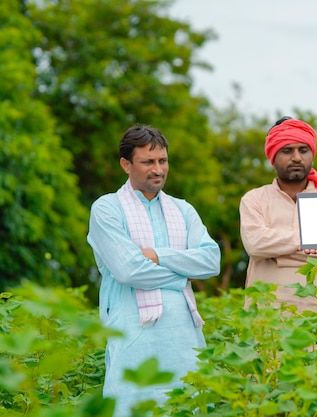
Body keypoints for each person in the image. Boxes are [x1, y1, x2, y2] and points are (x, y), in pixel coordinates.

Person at [87, 125, 221, 417]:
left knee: (188, 405)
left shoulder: (183, 210)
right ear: (126, 164)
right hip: (132, 334)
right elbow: (129, 271)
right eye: (148, 162)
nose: (158, 169)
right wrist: (183, 274)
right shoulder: (107, 209)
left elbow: (211, 261)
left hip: (184, 337)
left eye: (163, 161)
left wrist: (159, 255)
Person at [239, 117, 317, 312]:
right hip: (267, 316)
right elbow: (255, 245)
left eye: (303, 150)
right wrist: (313, 240)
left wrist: (277, 255)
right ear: (273, 156)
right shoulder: (254, 199)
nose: (297, 157)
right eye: (287, 150)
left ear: (312, 154)